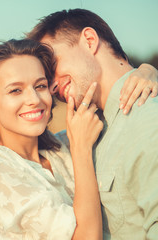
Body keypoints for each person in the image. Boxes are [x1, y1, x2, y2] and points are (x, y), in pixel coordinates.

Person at [0, 39, 157, 239]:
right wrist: (81, 151)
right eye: (15, 90)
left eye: (40, 86)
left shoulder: (62, 146)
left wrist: (147, 71)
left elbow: (115, 113)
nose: (34, 100)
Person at [27, 8, 158, 240]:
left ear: (89, 40)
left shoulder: (148, 118)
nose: (51, 88)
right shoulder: (87, 132)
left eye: (52, 64)